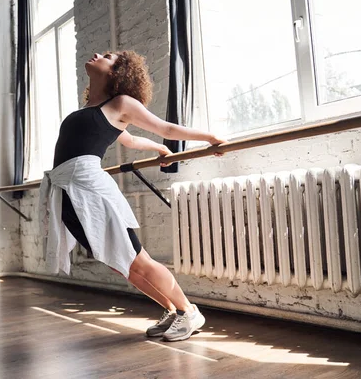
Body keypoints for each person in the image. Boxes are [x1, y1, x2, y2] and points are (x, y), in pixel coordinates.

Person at [39, 50, 225, 342]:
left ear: (117, 71)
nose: (99, 54)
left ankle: (188, 311)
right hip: (68, 193)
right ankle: (173, 310)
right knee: (123, 265)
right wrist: (158, 150)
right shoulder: (93, 108)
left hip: (90, 190)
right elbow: (130, 139)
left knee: (137, 260)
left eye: (108, 56)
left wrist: (210, 138)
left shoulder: (122, 103)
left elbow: (166, 128)